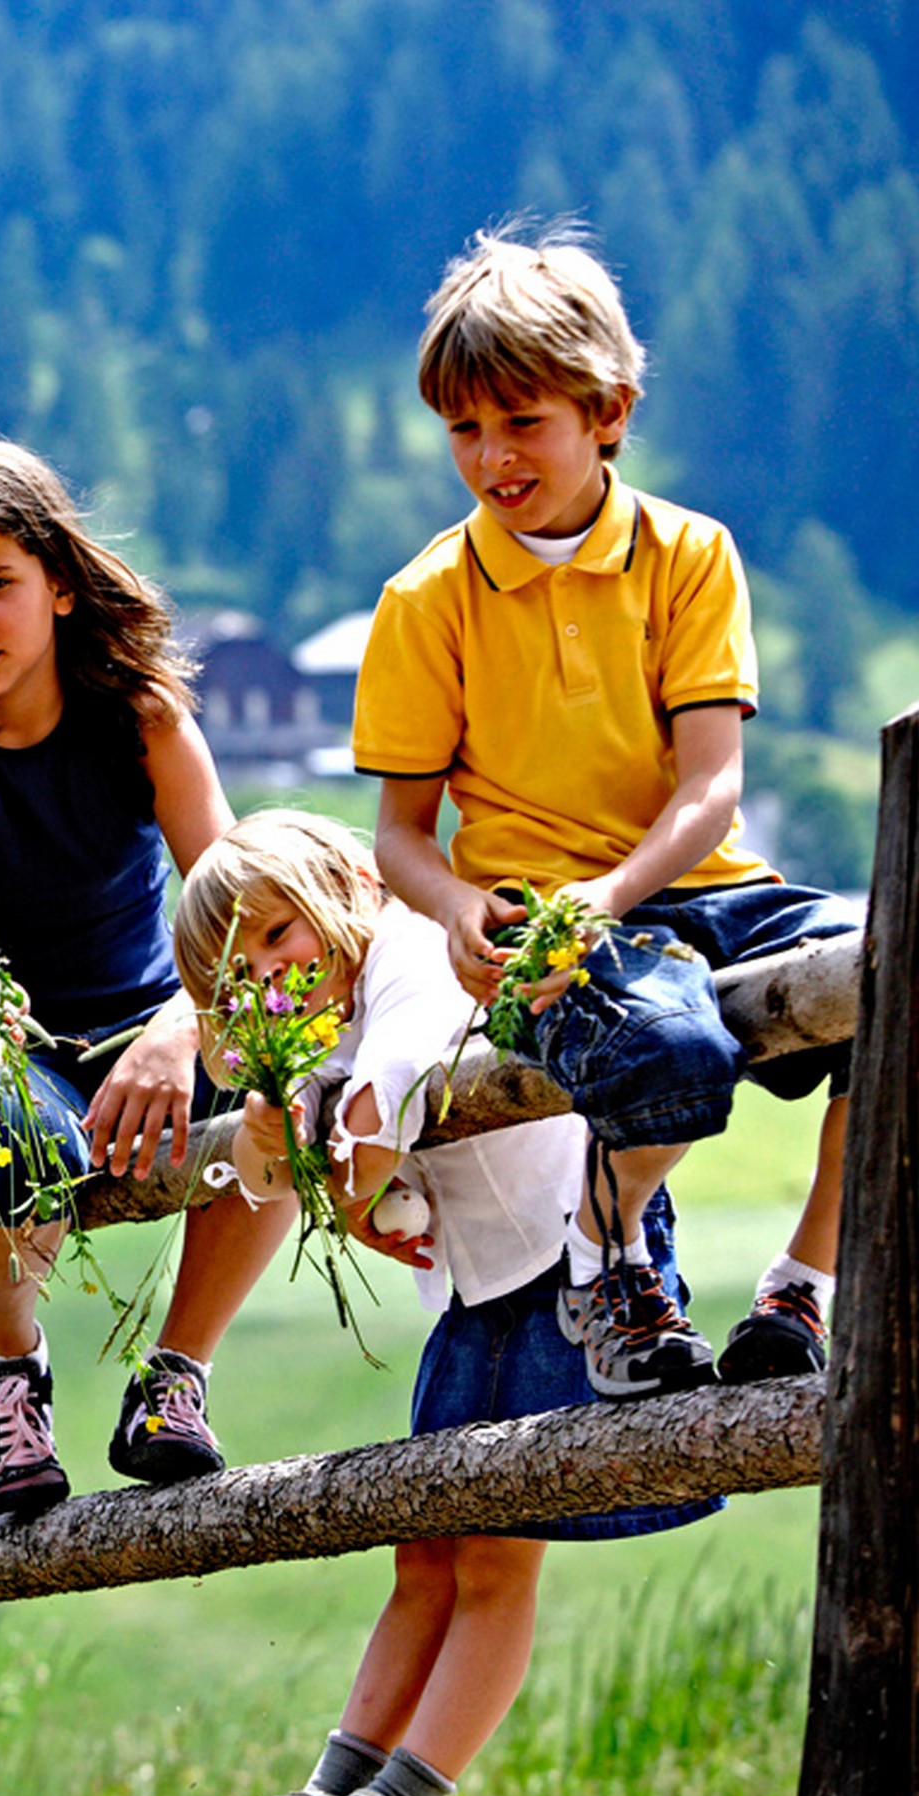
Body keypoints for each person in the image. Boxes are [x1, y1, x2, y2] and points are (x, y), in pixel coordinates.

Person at [353, 220, 860, 1401]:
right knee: (673, 1049)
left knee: (895, 984)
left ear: (609, 410)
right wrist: (461, 909)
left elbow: (710, 785)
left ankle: (802, 1285)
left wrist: (614, 893)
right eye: (463, 430)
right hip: (540, 915)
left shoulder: (690, 555)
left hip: (697, 882)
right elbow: (400, 840)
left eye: (521, 422)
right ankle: (611, 1264)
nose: (491, 457)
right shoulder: (426, 601)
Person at [169, 810, 717, 1796]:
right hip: (482, 1292)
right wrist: (365, 1185)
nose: (272, 972)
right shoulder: (334, 1022)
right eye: (241, 968)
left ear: (346, 890)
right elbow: (361, 1162)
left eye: (280, 934)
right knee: (423, 1551)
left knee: (495, 1555)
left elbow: (410, 1067)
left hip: (573, 1255)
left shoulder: (415, 948)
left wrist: (363, 1171)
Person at [0, 425, 293, 1515]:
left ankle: (176, 1375)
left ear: (57, 584)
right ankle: (9, 1367)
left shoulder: (144, 721)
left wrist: (185, 1026)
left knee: (288, 1071)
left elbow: (240, 903)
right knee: (15, 1130)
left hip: (156, 1017)